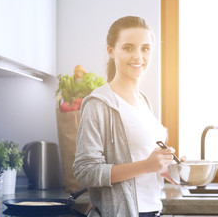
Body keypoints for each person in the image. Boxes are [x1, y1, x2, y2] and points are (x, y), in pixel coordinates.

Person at [73, 16, 178, 217]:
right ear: (111, 51)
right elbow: (85, 170)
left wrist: (165, 168)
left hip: (153, 210)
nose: (138, 56)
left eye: (145, 48)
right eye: (128, 48)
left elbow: (142, 162)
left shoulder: (144, 101)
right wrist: (146, 165)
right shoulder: (98, 104)